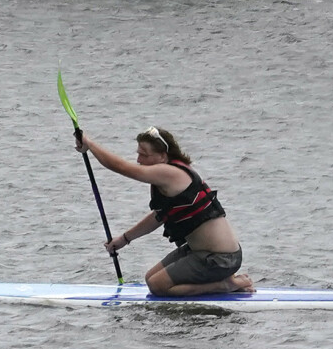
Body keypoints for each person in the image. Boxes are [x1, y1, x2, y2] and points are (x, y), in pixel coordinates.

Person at [77, 125, 254, 297]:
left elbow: (122, 168)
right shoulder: (168, 181)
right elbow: (159, 216)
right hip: (201, 252)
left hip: (221, 259)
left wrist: (90, 144)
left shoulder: (170, 173)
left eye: (144, 155)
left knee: (157, 286)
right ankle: (222, 281)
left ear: (163, 156)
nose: (139, 160)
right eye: (138, 154)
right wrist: (124, 239)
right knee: (150, 278)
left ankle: (225, 285)